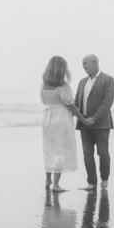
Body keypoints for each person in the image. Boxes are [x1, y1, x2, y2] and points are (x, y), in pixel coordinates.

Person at [74, 54, 114, 189]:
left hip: (101, 124)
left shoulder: (108, 80)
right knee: (87, 153)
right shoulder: (81, 82)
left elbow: (107, 103)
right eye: (82, 63)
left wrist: (94, 118)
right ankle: (91, 183)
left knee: (102, 152)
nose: (83, 66)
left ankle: (104, 179)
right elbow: (76, 103)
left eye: (85, 63)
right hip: (84, 123)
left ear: (94, 62)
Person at [39, 56, 80, 191]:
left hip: (48, 117)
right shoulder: (63, 85)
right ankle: (56, 185)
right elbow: (70, 104)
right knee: (60, 150)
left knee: (49, 149)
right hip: (61, 117)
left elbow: (43, 101)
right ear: (62, 68)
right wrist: (83, 119)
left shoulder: (43, 84)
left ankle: (47, 180)